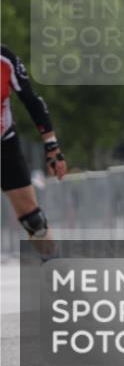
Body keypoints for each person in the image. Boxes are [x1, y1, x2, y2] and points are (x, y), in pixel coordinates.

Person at [1, 45, 67, 258]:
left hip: (4, 145)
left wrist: (52, 147)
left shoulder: (5, 59)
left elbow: (32, 101)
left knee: (34, 221)